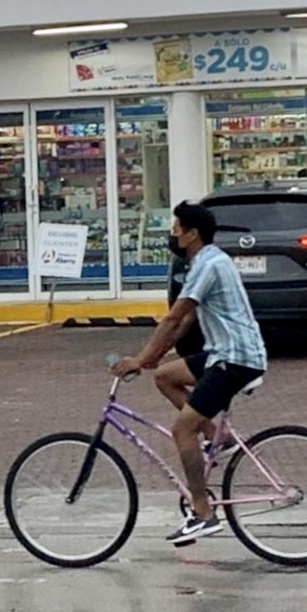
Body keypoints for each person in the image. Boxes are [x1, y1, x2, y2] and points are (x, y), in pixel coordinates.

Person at [110, 200, 267, 545]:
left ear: (192, 233)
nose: (172, 234)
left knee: (182, 430)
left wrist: (139, 358)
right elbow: (186, 321)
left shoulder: (207, 266)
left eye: (176, 228)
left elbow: (173, 316)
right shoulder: (208, 262)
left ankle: (203, 513)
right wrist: (156, 357)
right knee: (165, 377)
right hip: (221, 355)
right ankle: (216, 435)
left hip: (235, 359)